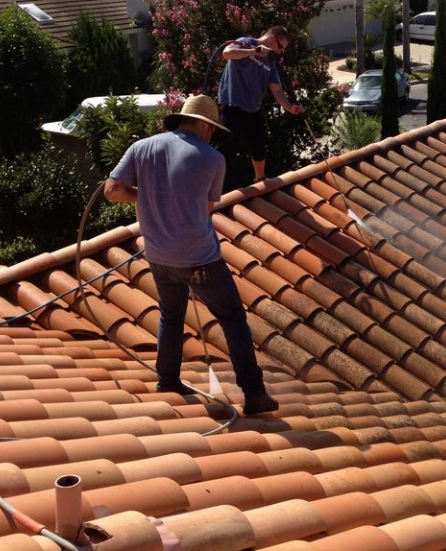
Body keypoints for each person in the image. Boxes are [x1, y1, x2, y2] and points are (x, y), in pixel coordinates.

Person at [103, 94, 279, 416]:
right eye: (211, 130)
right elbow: (206, 209)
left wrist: (145, 196)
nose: (211, 136)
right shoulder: (212, 158)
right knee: (233, 319)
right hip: (200, 258)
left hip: (157, 256)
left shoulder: (140, 148)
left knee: (171, 316)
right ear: (201, 125)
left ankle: (167, 380)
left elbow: (112, 190)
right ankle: (254, 394)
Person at [216, 25, 305, 181]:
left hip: (253, 108)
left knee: (259, 144)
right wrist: (253, 51)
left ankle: (260, 179)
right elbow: (227, 53)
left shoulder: (270, 63)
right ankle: (211, 190)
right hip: (232, 105)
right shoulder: (245, 42)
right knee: (226, 150)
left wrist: (290, 108)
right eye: (279, 47)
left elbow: (277, 91)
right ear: (271, 38)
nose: (279, 51)